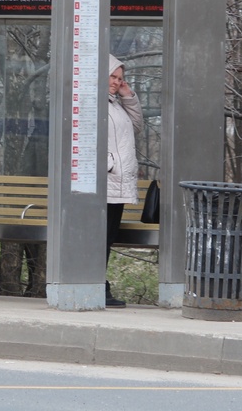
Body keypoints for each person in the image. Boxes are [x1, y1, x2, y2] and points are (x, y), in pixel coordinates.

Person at [105, 54, 143, 308]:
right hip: (104, 181)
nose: (117, 82)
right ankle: (96, 284)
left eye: (120, 78)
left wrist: (128, 96)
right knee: (102, 235)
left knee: (107, 236)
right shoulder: (93, 101)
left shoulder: (115, 104)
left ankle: (99, 283)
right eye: (113, 76)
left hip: (116, 183)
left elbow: (136, 125)